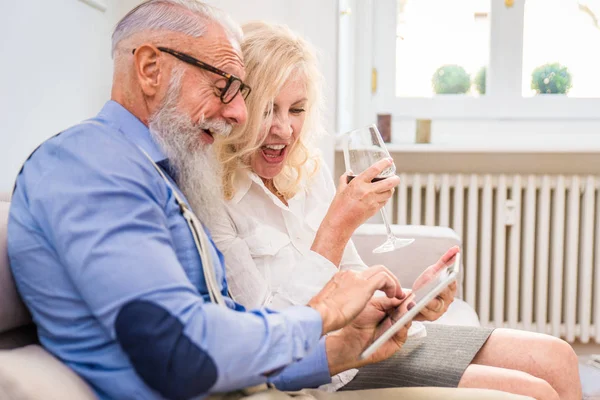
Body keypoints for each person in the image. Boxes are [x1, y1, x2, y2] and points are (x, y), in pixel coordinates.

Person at [5, 1, 532, 400]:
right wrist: (321, 314)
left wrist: (342, 348)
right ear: (149, 69)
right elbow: (179, 351)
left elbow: (230, 328)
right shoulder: (90, 164)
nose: (238, 114)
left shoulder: (160, 174)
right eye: (225, 87)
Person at [207, 21, 582, 400]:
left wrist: (407, 302)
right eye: (269, 109)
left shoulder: (308, 169)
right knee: (535, 391)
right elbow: (269, 333)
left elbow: (352, 275)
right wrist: (336, 227)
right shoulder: (214, 199)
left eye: (297, 109)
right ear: (239, 106)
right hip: (333, 366)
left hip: (372, 341)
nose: (285, 130)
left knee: (558, 356)